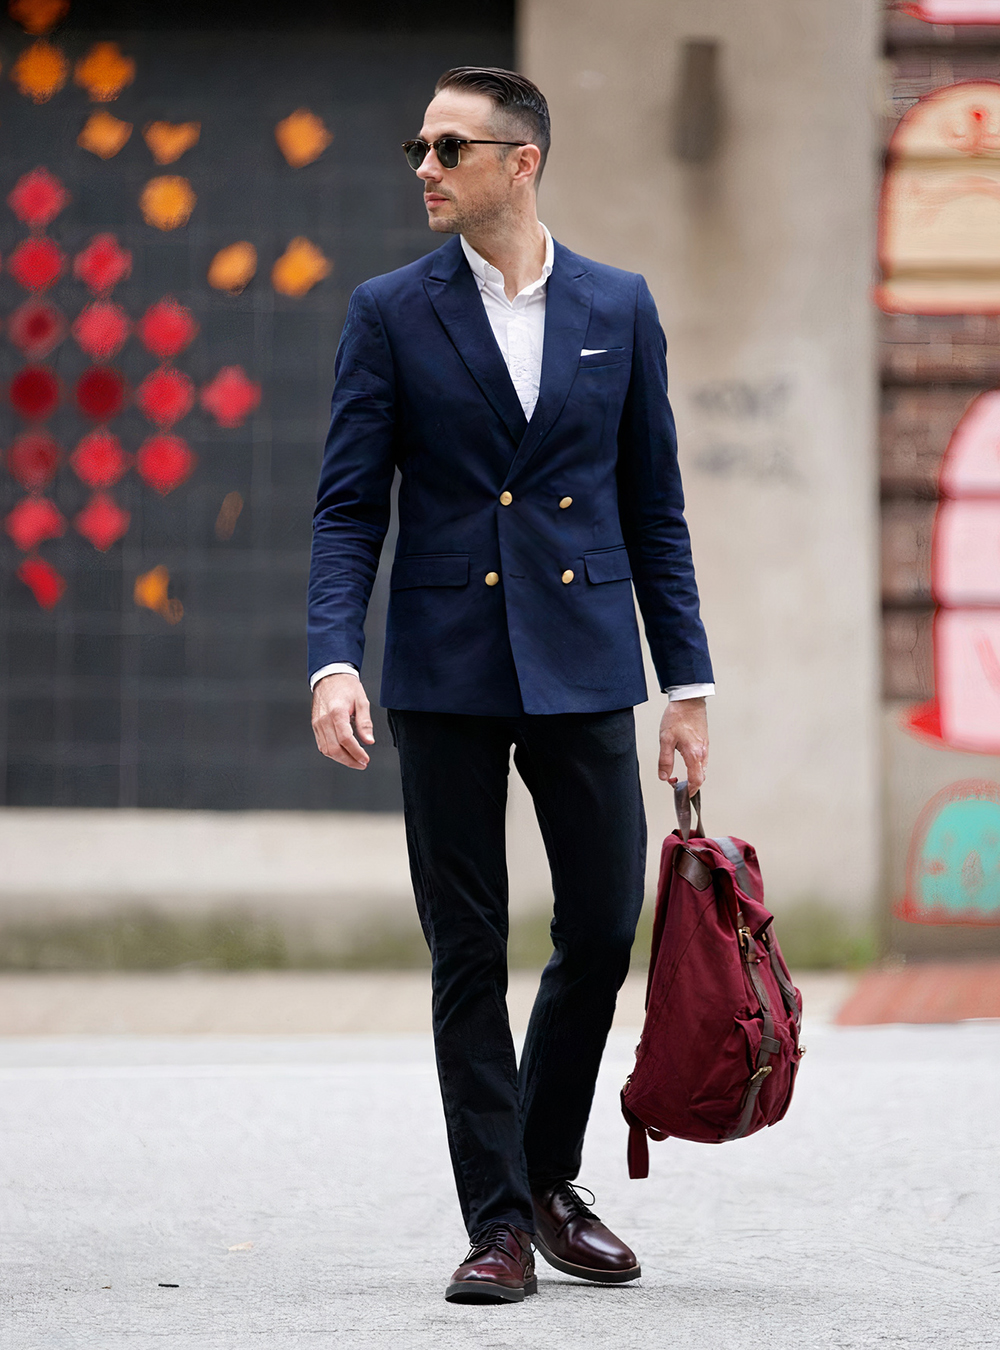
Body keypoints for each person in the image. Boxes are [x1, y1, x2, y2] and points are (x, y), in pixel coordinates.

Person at [308, 66, 713, 1304]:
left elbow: (655, 507)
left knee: (598, 925)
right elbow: (345, 512)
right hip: (443, 671)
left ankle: (544, 1175)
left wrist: (684, 683)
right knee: (464, 949)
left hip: (586, 659)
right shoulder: (388, 312)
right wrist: (334, 656)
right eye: (418, 145)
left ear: (519, 161)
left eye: (446, 146)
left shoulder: (618, 305)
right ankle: (496, 1221)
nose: (422, 166)